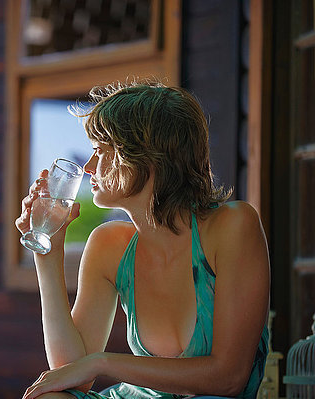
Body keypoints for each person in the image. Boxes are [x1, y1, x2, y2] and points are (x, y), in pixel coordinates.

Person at [15, 82, 270, 399]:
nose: (89, 167)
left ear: (145, 156)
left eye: (101, 150)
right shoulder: (110, 244)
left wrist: (103, 362)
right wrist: (48, 255)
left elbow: (229, 379)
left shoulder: (233, 226)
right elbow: (72, 375)